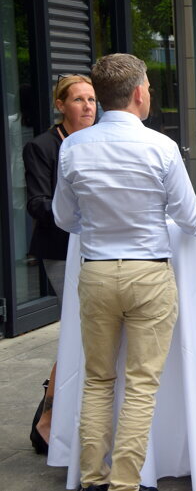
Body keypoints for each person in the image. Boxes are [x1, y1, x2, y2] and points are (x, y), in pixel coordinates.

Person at [53, 53, 196, 491]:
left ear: (101, 97)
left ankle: (91, 479)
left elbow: (64, 218)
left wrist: (99, 223)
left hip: (98, 272)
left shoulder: (72, 146)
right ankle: (124, 484)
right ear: (139, 93)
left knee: (98, 380)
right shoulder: (161, 146)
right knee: (141, 385)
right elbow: (186, 215)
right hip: (148, 274)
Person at [23, 74, 96, 454]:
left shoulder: (98, 142)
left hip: (97, 248)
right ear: (60, 105)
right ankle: (48, 422)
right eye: (79, 100)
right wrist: (78, 211)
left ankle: (54, 422)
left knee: (87, 336)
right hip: (60, 249)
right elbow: (36, 202)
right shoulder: (42, 147)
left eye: (92, 99)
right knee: (80, 335)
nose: (88, 106)